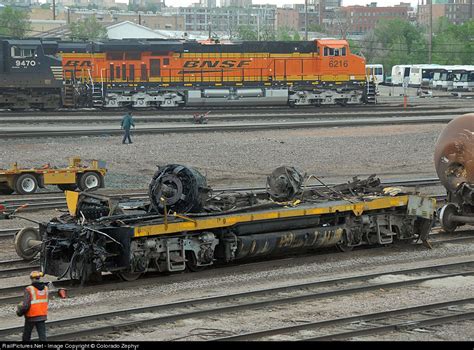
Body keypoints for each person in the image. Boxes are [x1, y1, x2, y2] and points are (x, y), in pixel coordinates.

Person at [16, 271, 48, 341]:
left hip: (31, 316)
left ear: (32, 279)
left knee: (26, 336)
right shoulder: (46, 288)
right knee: (43, 337)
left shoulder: (29, 289)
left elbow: (25, 305)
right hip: (42, 315)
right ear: (39, 278)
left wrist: (19, 312)